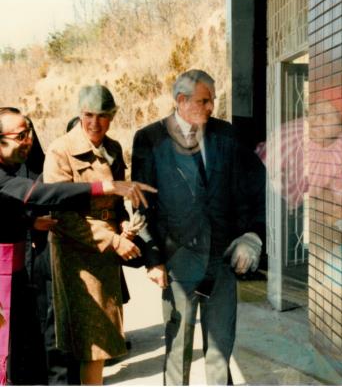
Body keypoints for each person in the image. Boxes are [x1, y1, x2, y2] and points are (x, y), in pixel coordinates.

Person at [0, 106, 155, 385]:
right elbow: (40, 193)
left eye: (29, 133)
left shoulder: (19, 164)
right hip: (5, 280)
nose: (29, 140)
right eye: (21, 135)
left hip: (18, 275)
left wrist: (27, 222)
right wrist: (102, 188)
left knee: (28, 354)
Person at [131, 69, 265, 385]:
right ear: (181, 100)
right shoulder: (149, 139)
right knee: (177, 354)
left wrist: (252, 235)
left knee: (220, 352)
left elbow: (255, 188)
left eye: (212, 101)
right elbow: (141, 204)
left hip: (221, 262)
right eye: (204, 102)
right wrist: (153, 258)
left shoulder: (226, 135)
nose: (210, 108)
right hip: (177, 264)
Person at [43, 85, 149, 385]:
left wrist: (126, 225)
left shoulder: (113, 148)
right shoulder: (60, 150)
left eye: (103, 116)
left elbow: (118, 199)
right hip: (78, 255)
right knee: (88, 341)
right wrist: (113, 240)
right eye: (88, 115)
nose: (94, 123)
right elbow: (61, 213)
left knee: (101, 343)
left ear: (112, 117)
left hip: (108, 253)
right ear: (79, 113)